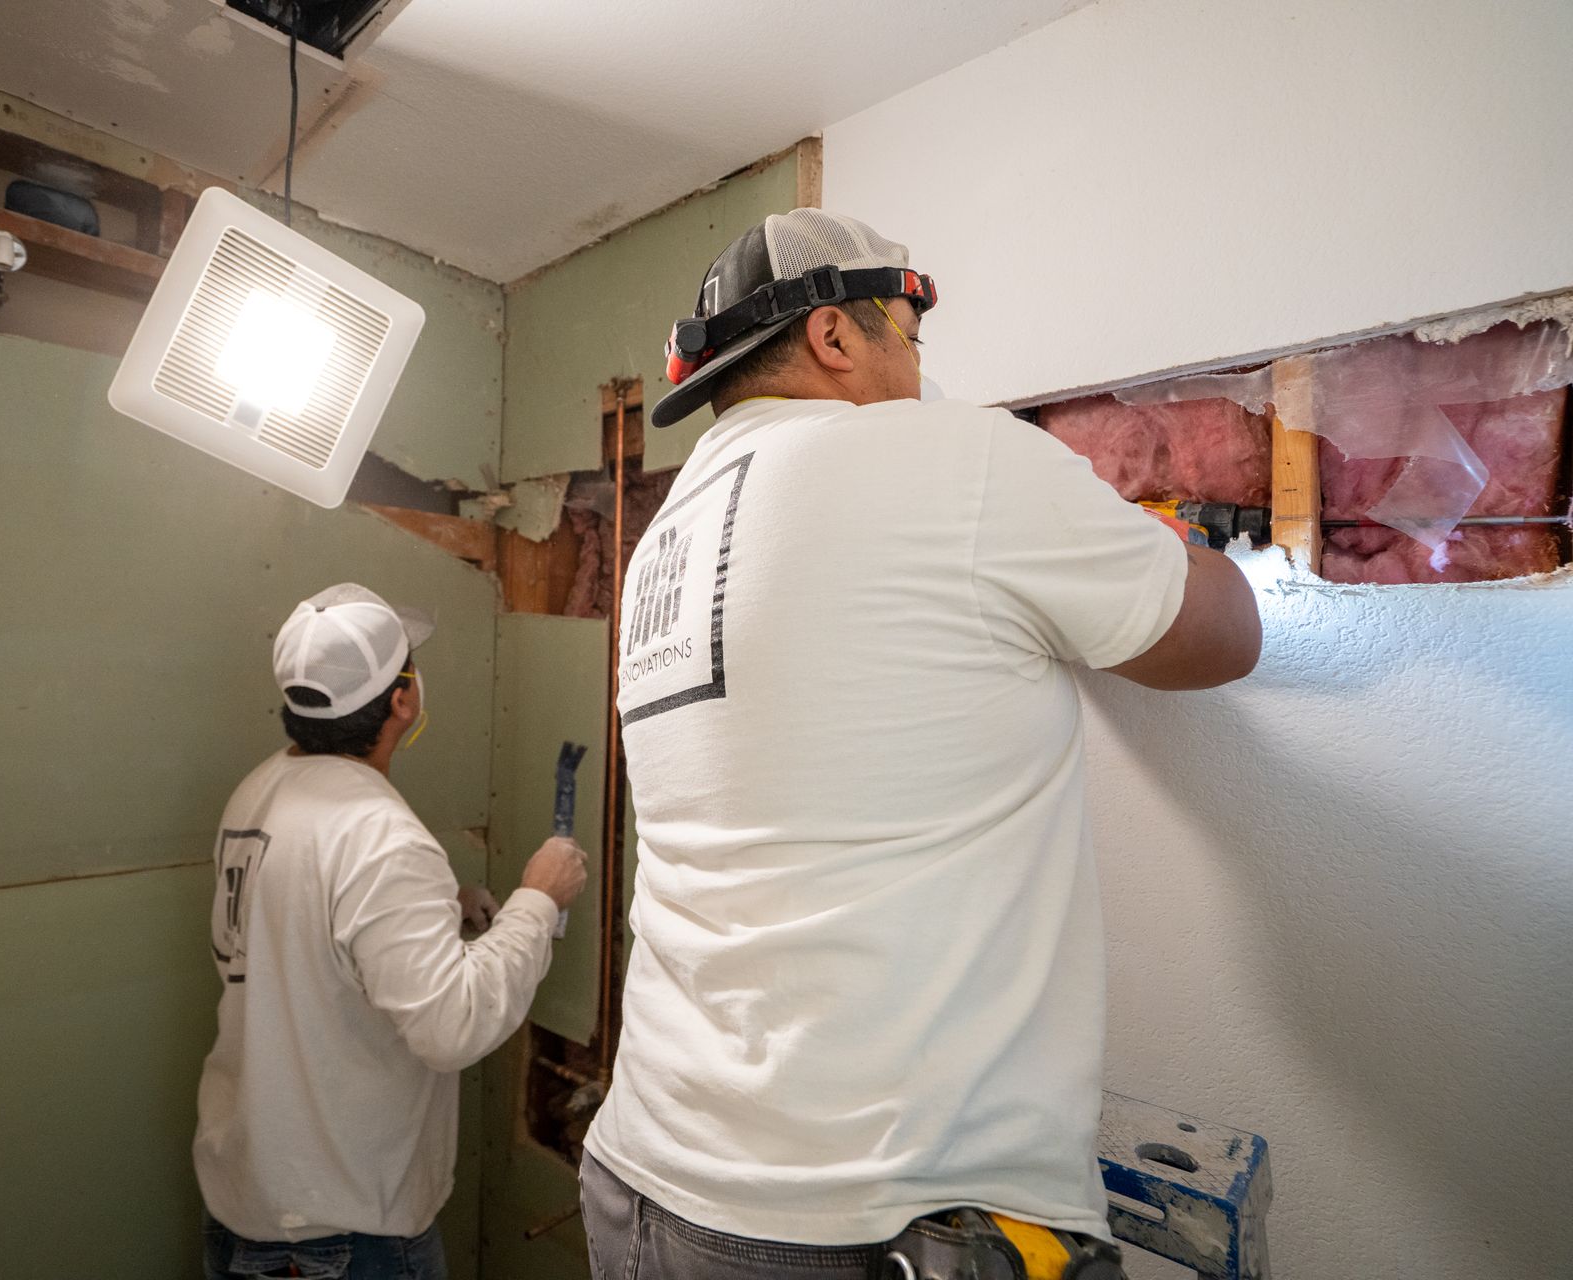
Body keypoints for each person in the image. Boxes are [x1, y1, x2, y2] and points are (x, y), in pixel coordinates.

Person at [580, 211, 1261, 1278]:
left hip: (643, 1179)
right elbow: (1225, 636)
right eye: (909, 334)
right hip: (861, 1222)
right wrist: (1157, 540)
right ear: (836, 339)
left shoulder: (661, 541)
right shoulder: (957, 457)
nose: (920, 367)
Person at [195, 583, 588, 1280]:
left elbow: (301, 938)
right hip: (339, 1242)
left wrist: (436, 913)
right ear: (402, 700)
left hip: (248, 1209)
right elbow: (452, 1027)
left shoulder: (259, 790)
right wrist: (537, 896)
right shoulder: (378, 836)